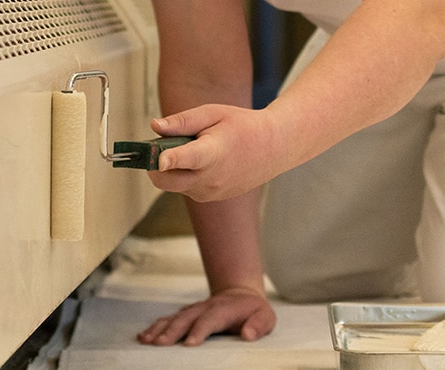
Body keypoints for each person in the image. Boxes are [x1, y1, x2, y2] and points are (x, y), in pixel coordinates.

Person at [137, 0, 445, 347]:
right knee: (313, 273)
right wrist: (237, 285)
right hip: (369, 39)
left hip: (420, 19)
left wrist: (273, 136)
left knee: (441, 305)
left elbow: (424, 10)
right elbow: (203, 74)